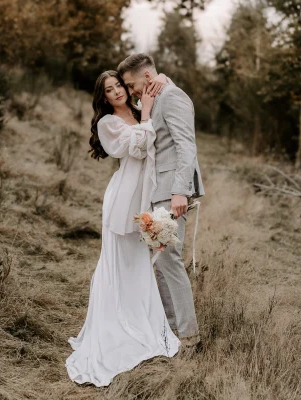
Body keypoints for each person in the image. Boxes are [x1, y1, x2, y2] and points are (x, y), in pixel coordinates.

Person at [65, 70, 181, 388]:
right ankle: (116, 327)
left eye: (119, 85)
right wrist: (145, 111)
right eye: (110, 90)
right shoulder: (108, 124)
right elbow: (139, 147)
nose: (117, 92)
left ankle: (142, 323)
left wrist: (160, 78)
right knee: (118, 264)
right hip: (123, 200)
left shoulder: (139, 105)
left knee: (141, 266)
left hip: (147, 196)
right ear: (103, 97)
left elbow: (168, 94)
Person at [117, 53, 205, 347]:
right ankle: (171, 332)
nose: (131, 93)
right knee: (160, 262)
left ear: (146, 76)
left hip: (172, 191)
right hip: (157, 192)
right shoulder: (155, 97)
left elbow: (186, 145)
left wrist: (181, 190)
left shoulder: (172, 95)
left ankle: (190, 338)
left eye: (131, 85)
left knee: (170, 260)